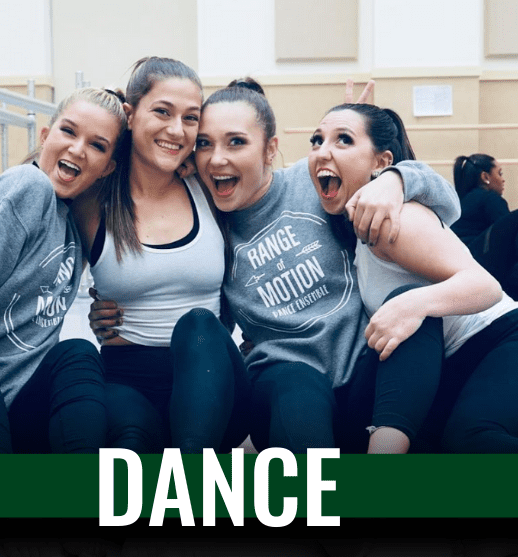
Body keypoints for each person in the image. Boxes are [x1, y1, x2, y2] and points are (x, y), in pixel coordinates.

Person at [191, 78, 460, 457]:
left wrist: (394, 180)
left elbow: (446, 199)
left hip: (359, 381)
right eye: (204, 143)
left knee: (412, 310)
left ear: (270, 149)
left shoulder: (311, 179)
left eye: (236, 141)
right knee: (297, 380)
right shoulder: (208, 226)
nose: (217, 158)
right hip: (282, 387)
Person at [0, 87, 126, 454]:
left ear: (108, 167)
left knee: (77, 353)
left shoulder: (75, 224)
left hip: (8, 414)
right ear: (46, 136)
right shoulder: (26, 188)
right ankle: (3, 494)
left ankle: (79, 494)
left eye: (97, 145)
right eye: (69, 131)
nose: (77, 149)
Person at [308, 103, 516, 453]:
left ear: (381, 162)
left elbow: (486, 287)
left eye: (343, 140)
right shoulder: (357, 228)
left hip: (498, 341)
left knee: (471, 440)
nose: (322, 151)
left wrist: (412, 303)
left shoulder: (398, 220)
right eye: (317, 140)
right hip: (447, 362)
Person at [80, 57, 251, 456]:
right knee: (125, 427)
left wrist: (391, 182)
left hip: (213, 381)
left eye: (191, 119)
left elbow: (277, 184)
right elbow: (41, 178)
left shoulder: (209, 187)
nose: (177, 130)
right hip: (127, 380)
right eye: (162, 111)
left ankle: (191, 477)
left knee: (198, 325)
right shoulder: (93, 201)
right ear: (130, 114)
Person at [450, 153, 518, 300]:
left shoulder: (460, 202)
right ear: (485, 177)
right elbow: (508, 237)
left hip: (459, 264)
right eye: (499, 173)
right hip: (476, 262)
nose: (503, 179)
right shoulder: (490, 199)